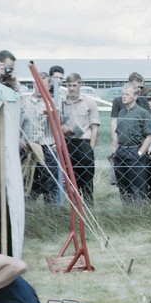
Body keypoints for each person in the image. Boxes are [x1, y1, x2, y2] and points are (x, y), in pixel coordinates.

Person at [61, 73, 100, 205]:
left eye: (74, 85)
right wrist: (63, 127)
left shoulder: (89, 102)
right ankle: (73, 207)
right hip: (68, 143)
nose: (71, 88)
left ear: (80, 84)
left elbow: (94, 127)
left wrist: (90, 149)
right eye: (69, 85)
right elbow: (56, 122)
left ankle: (88, 207)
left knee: (87, 181)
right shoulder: (61, 103)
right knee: (70, 180)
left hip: (84, 143)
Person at [20, 71, 59, 203]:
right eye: (37, 84)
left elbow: (59, 124)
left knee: (50, 181)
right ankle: (29, 209)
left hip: (45, 147)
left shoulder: (52, 103)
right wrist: (18, 139)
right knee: (27, 180)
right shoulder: (23, 102)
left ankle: (50, 210)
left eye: (43, 85)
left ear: (49, 87)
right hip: (27, 147)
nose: (39, 87)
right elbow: (16, 123)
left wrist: (53, 115)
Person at [113, 83, 151, 202]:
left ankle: (139, 210)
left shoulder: (143, 113)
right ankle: (126, 209)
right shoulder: (121, 113)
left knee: (138, 186)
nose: (124, 97)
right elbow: (118, 134)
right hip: (121, 152)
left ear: (135, 96)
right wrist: (116, 151)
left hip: (135, 151)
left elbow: (149, 136)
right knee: (123, 185)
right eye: (123, 94)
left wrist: (140, 153)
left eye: (127, 94)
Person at [110, 72, 149, 154]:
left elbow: (148, 126)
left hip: (140, 144)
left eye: (141, 87)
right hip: (122, 144)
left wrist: (149, 146)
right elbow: (114, 124)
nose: (139, 90)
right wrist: (115, 144)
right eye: (137, 87)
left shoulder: (143, 101)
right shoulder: (118, 101)